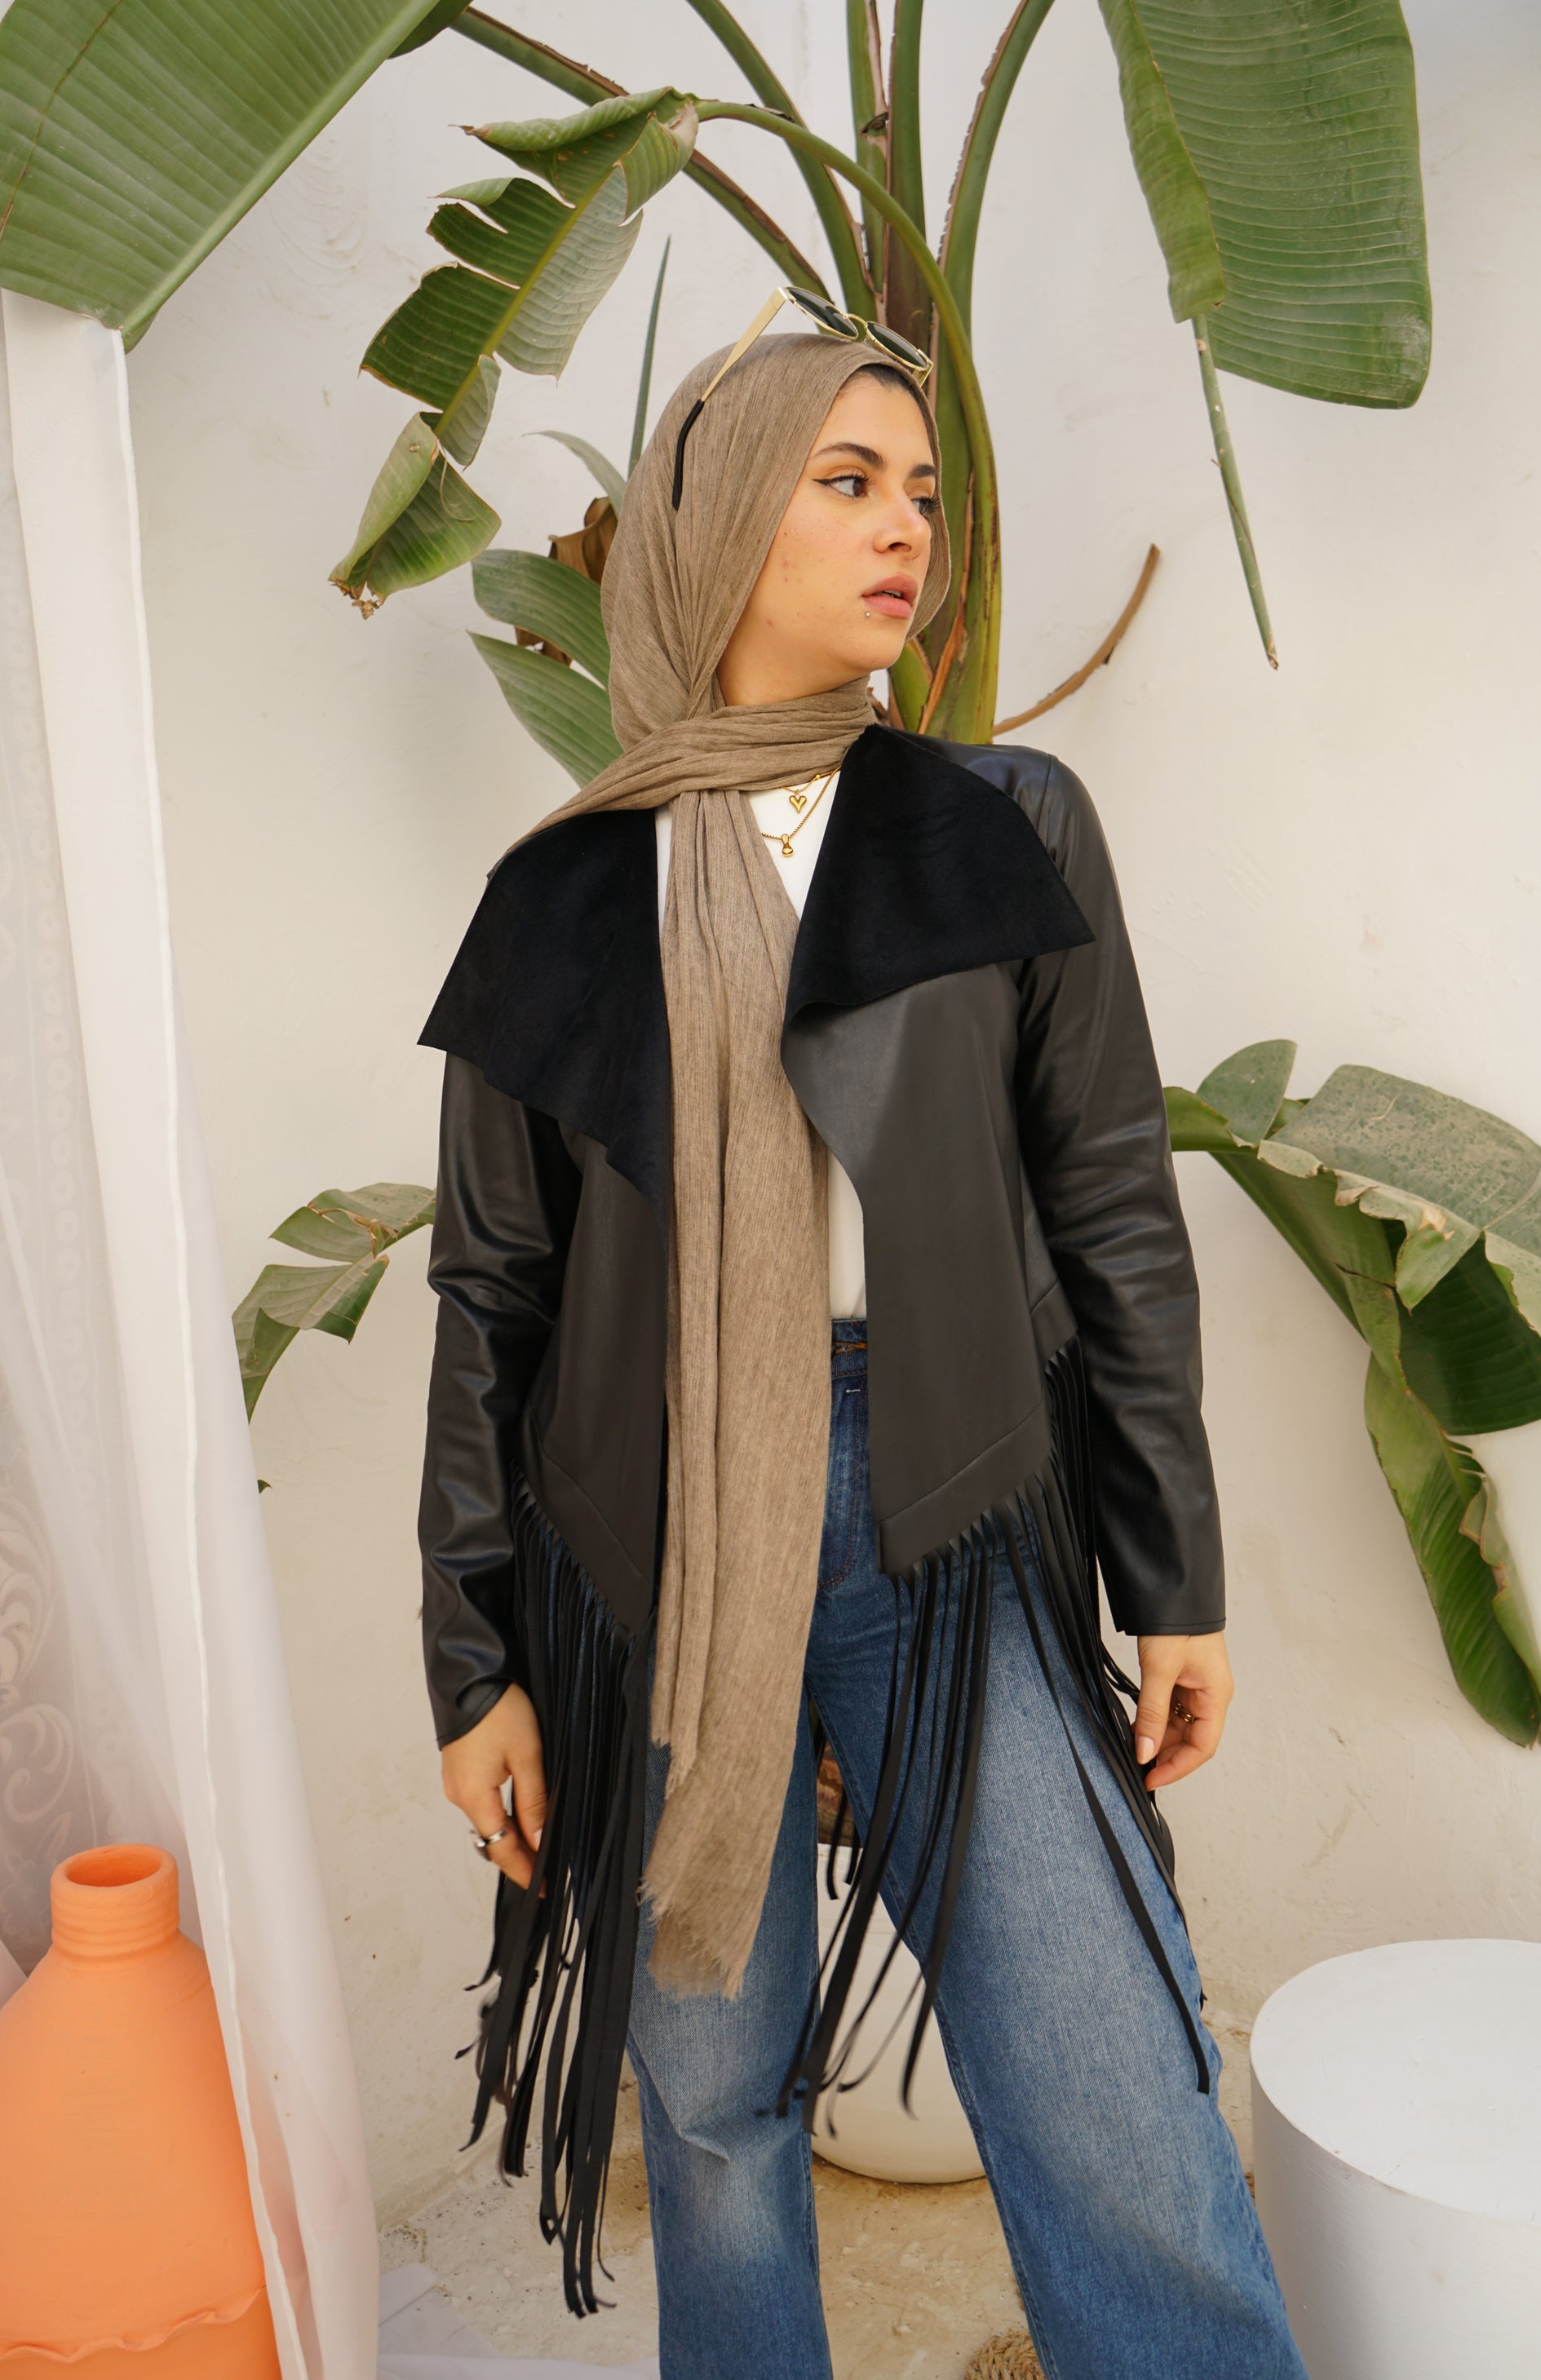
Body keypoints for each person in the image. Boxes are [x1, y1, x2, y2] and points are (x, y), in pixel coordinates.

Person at [415, 305, 1308, 2380]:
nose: (905, 525)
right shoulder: (568, 890)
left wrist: (1170, 1571)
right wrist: (473, 1658)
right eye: (846, 482)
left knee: (1106, 2077)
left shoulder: (1002, 820)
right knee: (715, 2116)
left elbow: (1110, 1202)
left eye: (918, 489)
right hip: (648, 1553)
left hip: (952, 1509)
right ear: (725, 519)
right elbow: (492, 1296)